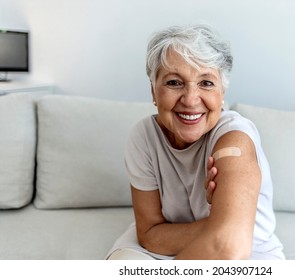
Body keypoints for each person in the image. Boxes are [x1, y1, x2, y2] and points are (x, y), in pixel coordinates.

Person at [106, 23, 284, 260]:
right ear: (153, 92)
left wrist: (222, 228)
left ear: (222, 93)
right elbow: (149, 234)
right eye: (173, 82)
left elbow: (229, 246)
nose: (190, 100)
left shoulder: (234, 139)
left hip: (249, 254)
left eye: (206, 83)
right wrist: (217, 223)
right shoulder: (144, 136)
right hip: (163, 250)